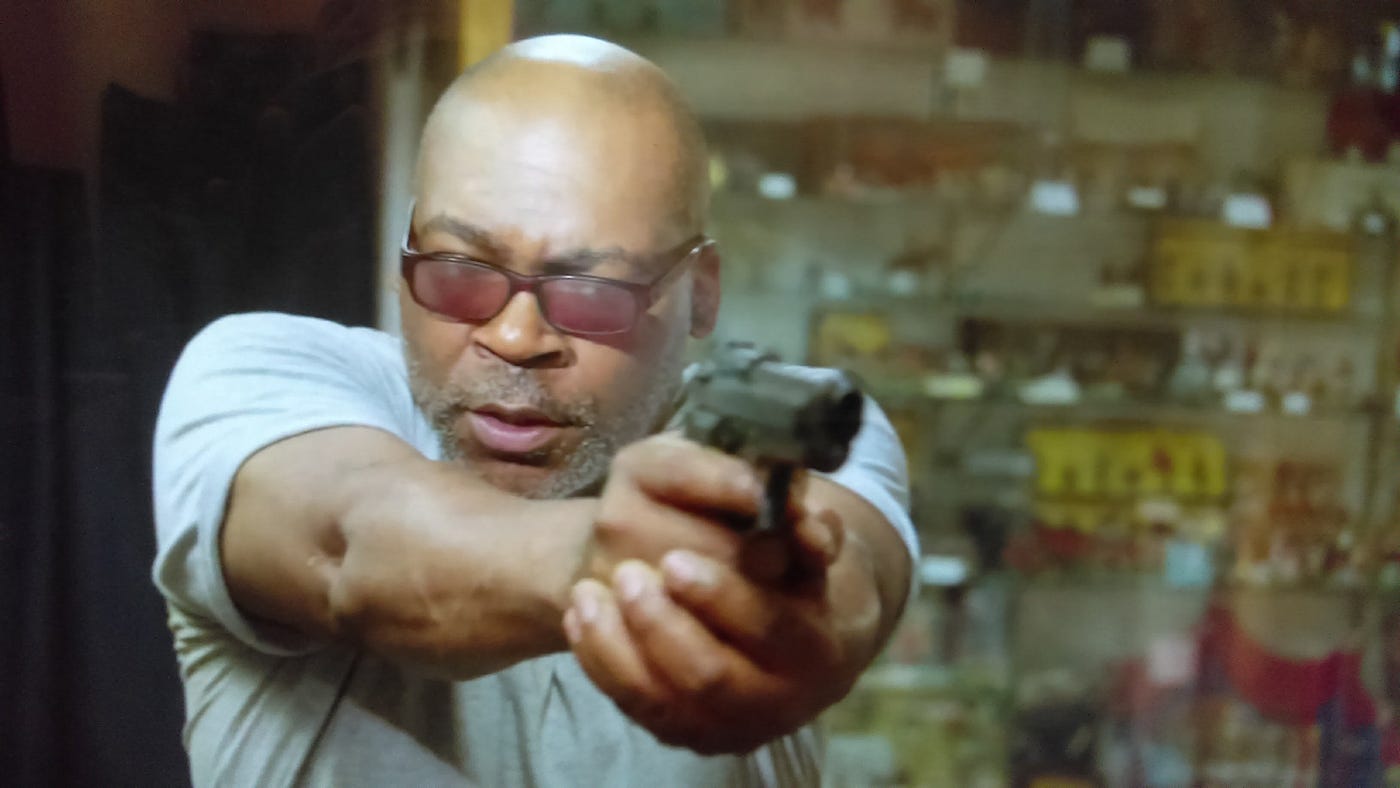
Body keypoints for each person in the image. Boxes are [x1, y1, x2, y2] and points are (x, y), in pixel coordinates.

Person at [151, 34, 916, 787]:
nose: (516, 339)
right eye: (460, 272)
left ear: (702, 293)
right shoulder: (261, 374)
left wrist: (796, 606)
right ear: (403, 252)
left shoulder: (799, 427)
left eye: (592, 293)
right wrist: (628, 567)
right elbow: (356, 548)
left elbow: (846, 585)